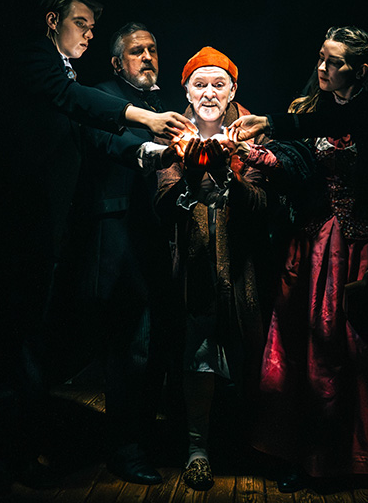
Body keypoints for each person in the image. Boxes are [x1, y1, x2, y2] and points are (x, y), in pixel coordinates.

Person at [0, 0, 192, 491]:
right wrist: (145, 122)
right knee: (19, 341)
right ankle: (3, 459)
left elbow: (89, 132)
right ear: (53, 21)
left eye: (93, 27)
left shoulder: (69, 75)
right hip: (22, 227)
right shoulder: (38, 60)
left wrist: (157, 151)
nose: (89, 33)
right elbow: (84, 112)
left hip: (49, 230)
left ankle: (18, 453)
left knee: (32, 341)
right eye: (82, 23)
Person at [239, 27, 368, 491]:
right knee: (300, 347)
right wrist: (259, 157)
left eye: (335, 62)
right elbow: (295, 165)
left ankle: (347, 457)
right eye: (321, 58)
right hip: (310, 243)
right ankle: (299, 454)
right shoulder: (306, 110)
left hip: (358, 245)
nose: (323, 68)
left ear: (360, 70)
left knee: (351, 353)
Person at [66, 22, 179, 485]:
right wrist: (158, 151)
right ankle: (125, 449)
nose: (148, 57)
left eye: (153, 49)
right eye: (137, 51)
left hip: (155, 240)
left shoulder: (161, 106)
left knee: (154, 344)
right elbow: (108, 141)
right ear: (117, 62)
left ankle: (142, 439)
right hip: (118, 239)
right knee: (130, 344)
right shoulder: (102, 95)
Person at [154, 47, 267, 490]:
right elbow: (163, 203)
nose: (208, 92)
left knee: (247, 350)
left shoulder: (253, 133)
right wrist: (191, 172)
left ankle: (250, 442)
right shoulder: (171, 135)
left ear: (233, 90)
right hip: (194, 264)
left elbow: (260, 204)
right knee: (198, 352)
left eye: (218, 84)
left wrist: (229, 176)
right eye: (199, 84)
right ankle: (197, 449)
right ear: (186, 90)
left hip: (242, 265)